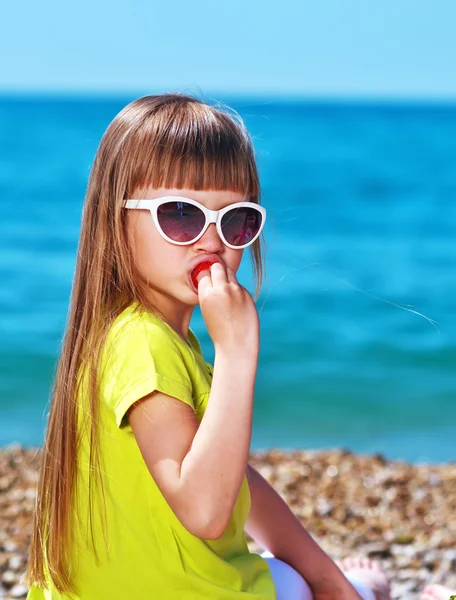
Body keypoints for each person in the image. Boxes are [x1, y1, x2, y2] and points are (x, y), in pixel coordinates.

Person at [25, 93, 391, 599]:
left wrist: (324, 575)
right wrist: (238, 353)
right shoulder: (143, 343)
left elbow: (235, 476)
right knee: (324, 582)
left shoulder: (137, 335)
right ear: (115, 220)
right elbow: (206, 511)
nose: (211, 241)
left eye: (236, 219)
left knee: (309, 578)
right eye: (180, 214)